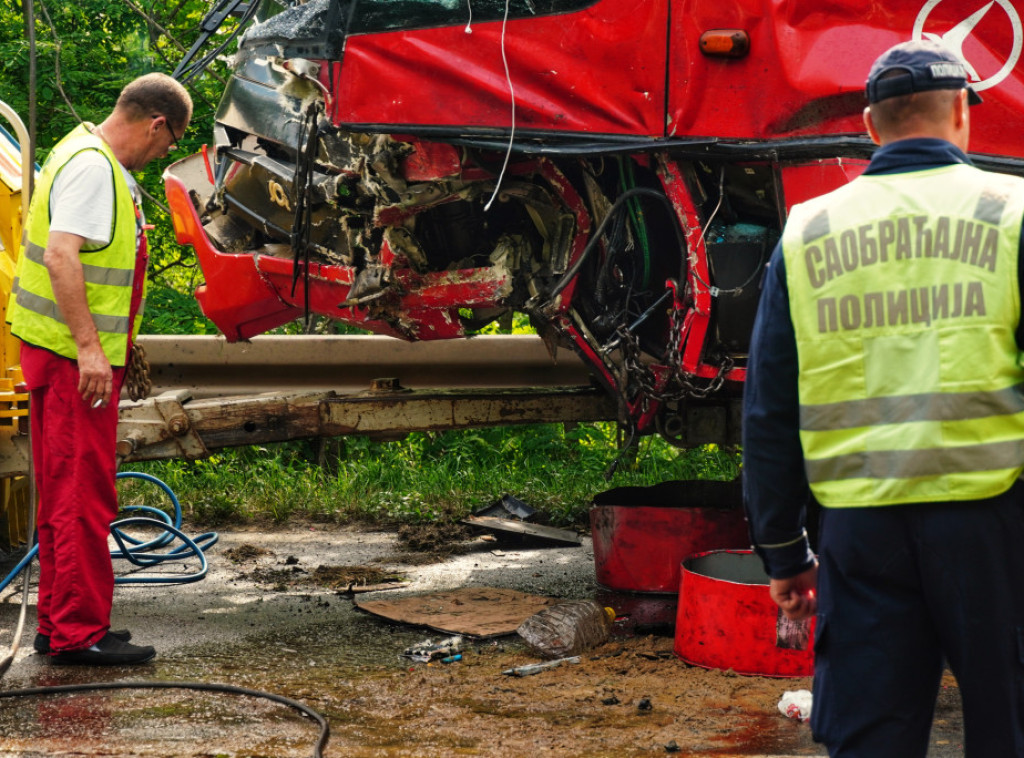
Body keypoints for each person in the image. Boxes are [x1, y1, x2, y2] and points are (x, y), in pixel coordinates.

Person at [742, 39, 1024, 757]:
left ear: (870, 126)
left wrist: (784, 552)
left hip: (861, 533)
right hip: (993, 524)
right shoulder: (1013, 213)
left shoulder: (808, 232)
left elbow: (769, 410)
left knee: (869, 736)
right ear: (961, 112)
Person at [7, 73, 192, 665]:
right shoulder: (94, 169)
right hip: (72, 361)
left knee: (64, 491)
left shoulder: (81, 150)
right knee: (82, 497)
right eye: (169, 143)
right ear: (156, 124)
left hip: (60, 353)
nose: (161, 154)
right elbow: (62, 256)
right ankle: (78, 632)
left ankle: (57, 622)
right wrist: (91, 347)